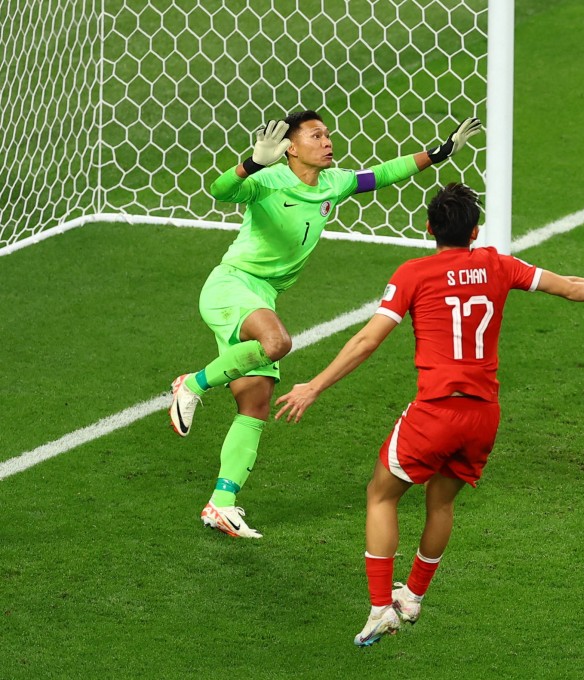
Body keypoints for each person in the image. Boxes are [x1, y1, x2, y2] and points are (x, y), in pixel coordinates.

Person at [274, 182, 584, 646]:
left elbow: (368, 340)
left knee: (380, 495)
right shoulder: (497, 265)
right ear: (476, 232)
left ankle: (380, 606)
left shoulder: (412, 274)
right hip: (483, 415)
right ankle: (414, 597)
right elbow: (572, 288)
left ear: (429, 228)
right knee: (441, 502)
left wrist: (315, 385)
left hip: (436, 411)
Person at [168, 110, 483, 539]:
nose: (328, 141)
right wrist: (253, 163)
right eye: (317, 136)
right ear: (291, 147)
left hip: (263, 295)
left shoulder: (334, 183)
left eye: (328, 134)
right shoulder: (267, 180)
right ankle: (193, 384)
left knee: (255, 404)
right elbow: (220, 189)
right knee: (278, 342)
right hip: (231, 286)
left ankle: (221, 504)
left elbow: (382, 175)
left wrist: (437, 153)